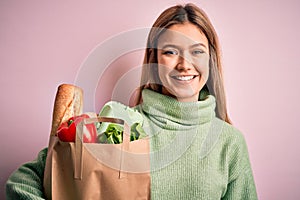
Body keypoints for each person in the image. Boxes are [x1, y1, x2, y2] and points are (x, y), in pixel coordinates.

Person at [6, 3, 257, 199]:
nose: (184, 64)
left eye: (197, 51)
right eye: (170, 52)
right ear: (154, 61)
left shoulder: (229, 142)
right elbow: (26, 179)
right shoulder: (124, 125)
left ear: (210, 59)